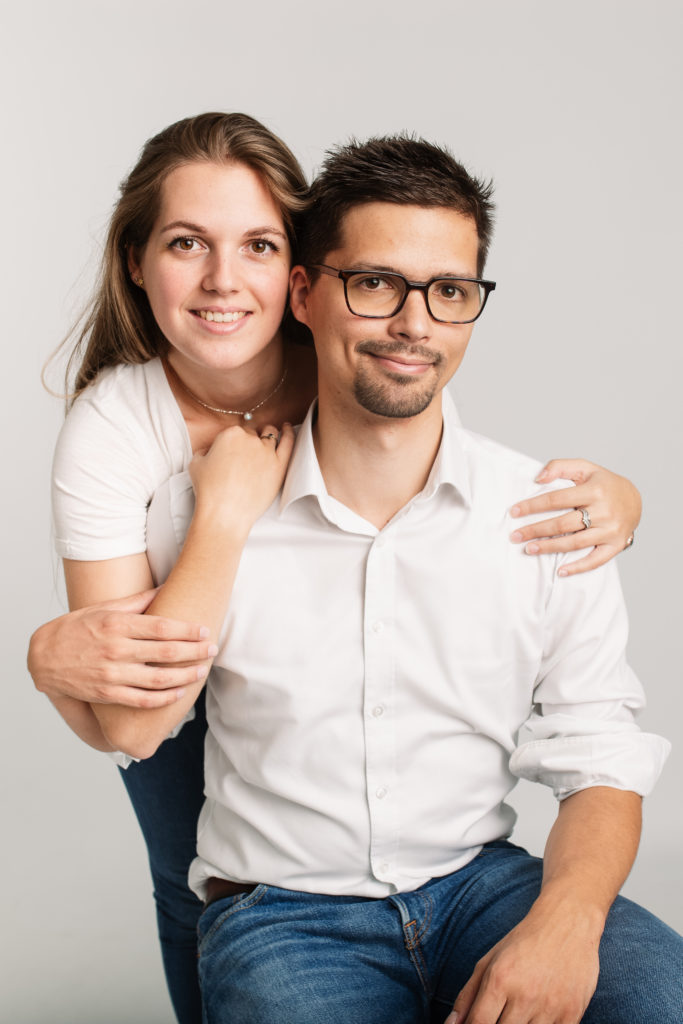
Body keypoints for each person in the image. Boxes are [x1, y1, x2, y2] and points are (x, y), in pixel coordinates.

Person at [27, 115, 643, 1024]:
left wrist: (621, 501)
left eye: (259, 244)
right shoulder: (118, 427)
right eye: (186, 243)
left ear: (295, 278)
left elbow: (443, 463)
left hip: (311, 713)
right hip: (170, 669)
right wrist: (222, 515)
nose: (223, 281)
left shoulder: (366, 356)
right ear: (135, 259)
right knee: (186, 881)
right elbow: (131, 720)